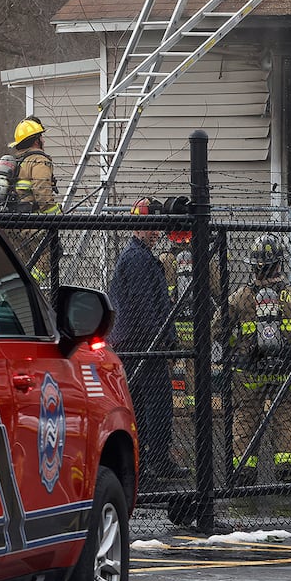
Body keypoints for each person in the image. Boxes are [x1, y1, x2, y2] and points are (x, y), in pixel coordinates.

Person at [109, 198, 186, 480]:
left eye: (157, 226)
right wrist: (162, 341)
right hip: (142, 344)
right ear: (137, 228)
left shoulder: (139, 256)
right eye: (150, 226)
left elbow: (154, 305)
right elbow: (146, 307)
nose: (155, 232)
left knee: (140, 404)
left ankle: (142, 462)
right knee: (157, 402)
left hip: (135, 342)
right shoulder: (137, 259)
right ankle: (157, 461)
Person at [225, 234, 291, 483]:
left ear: (253, 266)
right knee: (287, 418)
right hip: (287, 371)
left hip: (249, 370)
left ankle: (244, 470)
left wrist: (238, 348)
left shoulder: (241, 297)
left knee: (246, 415)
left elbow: (218, 328)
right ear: (280, 264)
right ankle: (288, 469)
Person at [0, 117, 60, 214]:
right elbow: (42, 191)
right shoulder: (39, 161)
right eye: (41, 137)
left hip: (13, 221)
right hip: (32, 224)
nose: (44, 141)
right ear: (36, 141)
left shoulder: (17, 162)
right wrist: (56, 218)